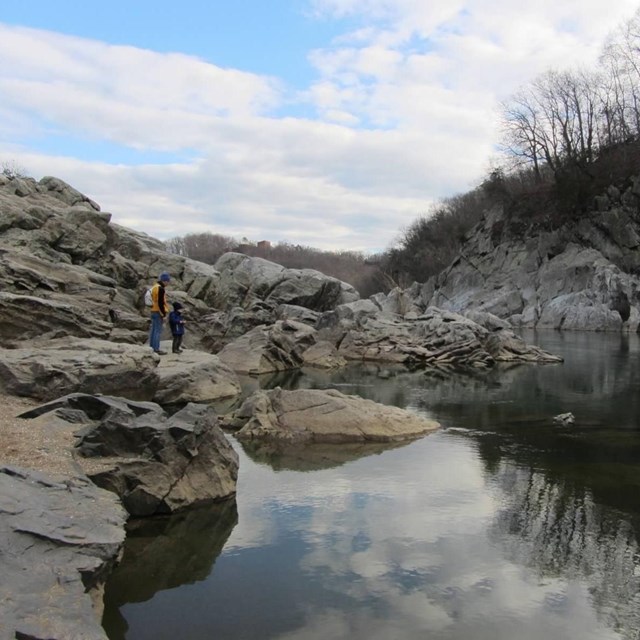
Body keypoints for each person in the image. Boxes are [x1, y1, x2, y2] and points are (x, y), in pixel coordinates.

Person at [148, 272, 170, 355]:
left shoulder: (154, 287)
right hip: (158, 311)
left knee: (153, 330)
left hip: (153, 310)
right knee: (157, 331)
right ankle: (156, 349)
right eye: (167, 281)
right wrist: (163, 314)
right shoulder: (160, 288)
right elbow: (161, 303)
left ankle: (151, 347)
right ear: (164, 281)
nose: (168, 283)